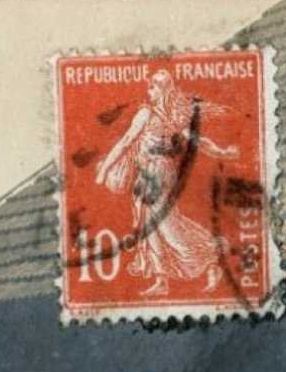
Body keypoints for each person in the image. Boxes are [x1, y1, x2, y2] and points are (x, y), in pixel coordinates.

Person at [95, 70, 239, 297]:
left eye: (152, 88)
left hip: (157, 175)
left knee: (166, 226)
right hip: (153, 174)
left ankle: (210, 256)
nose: (149, 92)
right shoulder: (169, 117)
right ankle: (164, 279)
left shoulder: (148, 114)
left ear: (161, 89)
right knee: (154, 224)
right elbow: (196, 141)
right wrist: (220, 150)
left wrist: (104, 170)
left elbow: (125, 142)